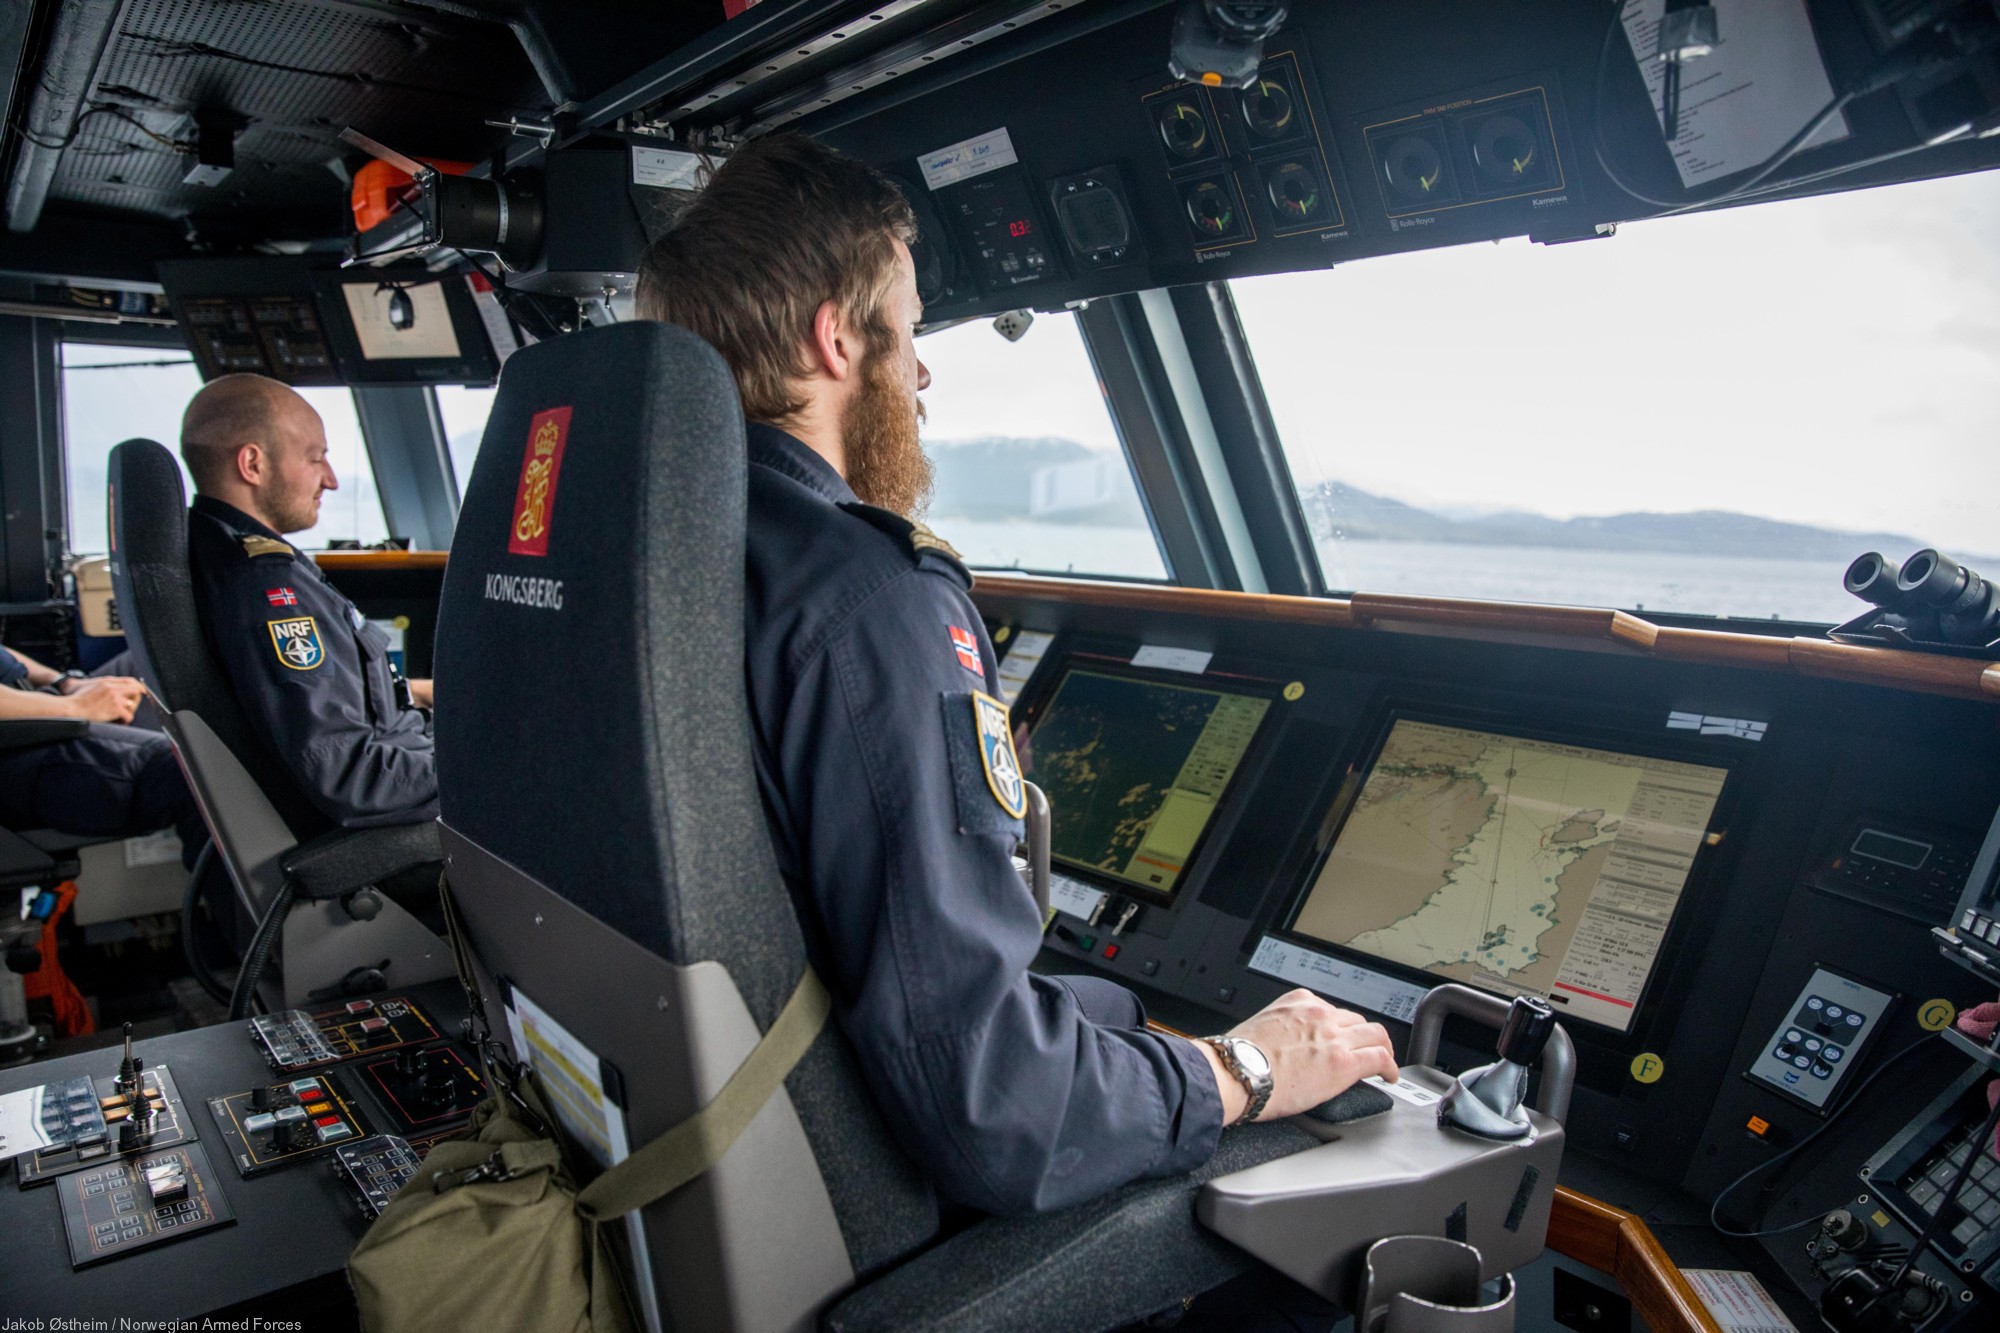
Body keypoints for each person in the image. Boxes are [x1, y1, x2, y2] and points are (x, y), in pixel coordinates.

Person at [635, 135, 1398, 1219]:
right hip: (848, 1200)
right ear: (834, 338)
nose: (924, 368)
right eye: (908, 329)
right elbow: (994, 1106)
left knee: (1113, 1014)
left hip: (695, 1154)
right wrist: (1247, 1070)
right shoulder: (868, 600)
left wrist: (1126, 1030)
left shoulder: (656, 554)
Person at [180, 375, 436, 829]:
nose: (331, 480)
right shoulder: (270, 592)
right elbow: (349, 776)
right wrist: (484, 768)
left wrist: (418, 692)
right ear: (252, 464)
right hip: (390, 816)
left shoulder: (218, 553)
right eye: (315, 458)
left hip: (403, 751)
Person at [0, 645, 197, 844]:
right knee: (190, 769)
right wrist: (76, 707)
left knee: (170, 656)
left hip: (30, 699)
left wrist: (64, 682)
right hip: (16, 746)